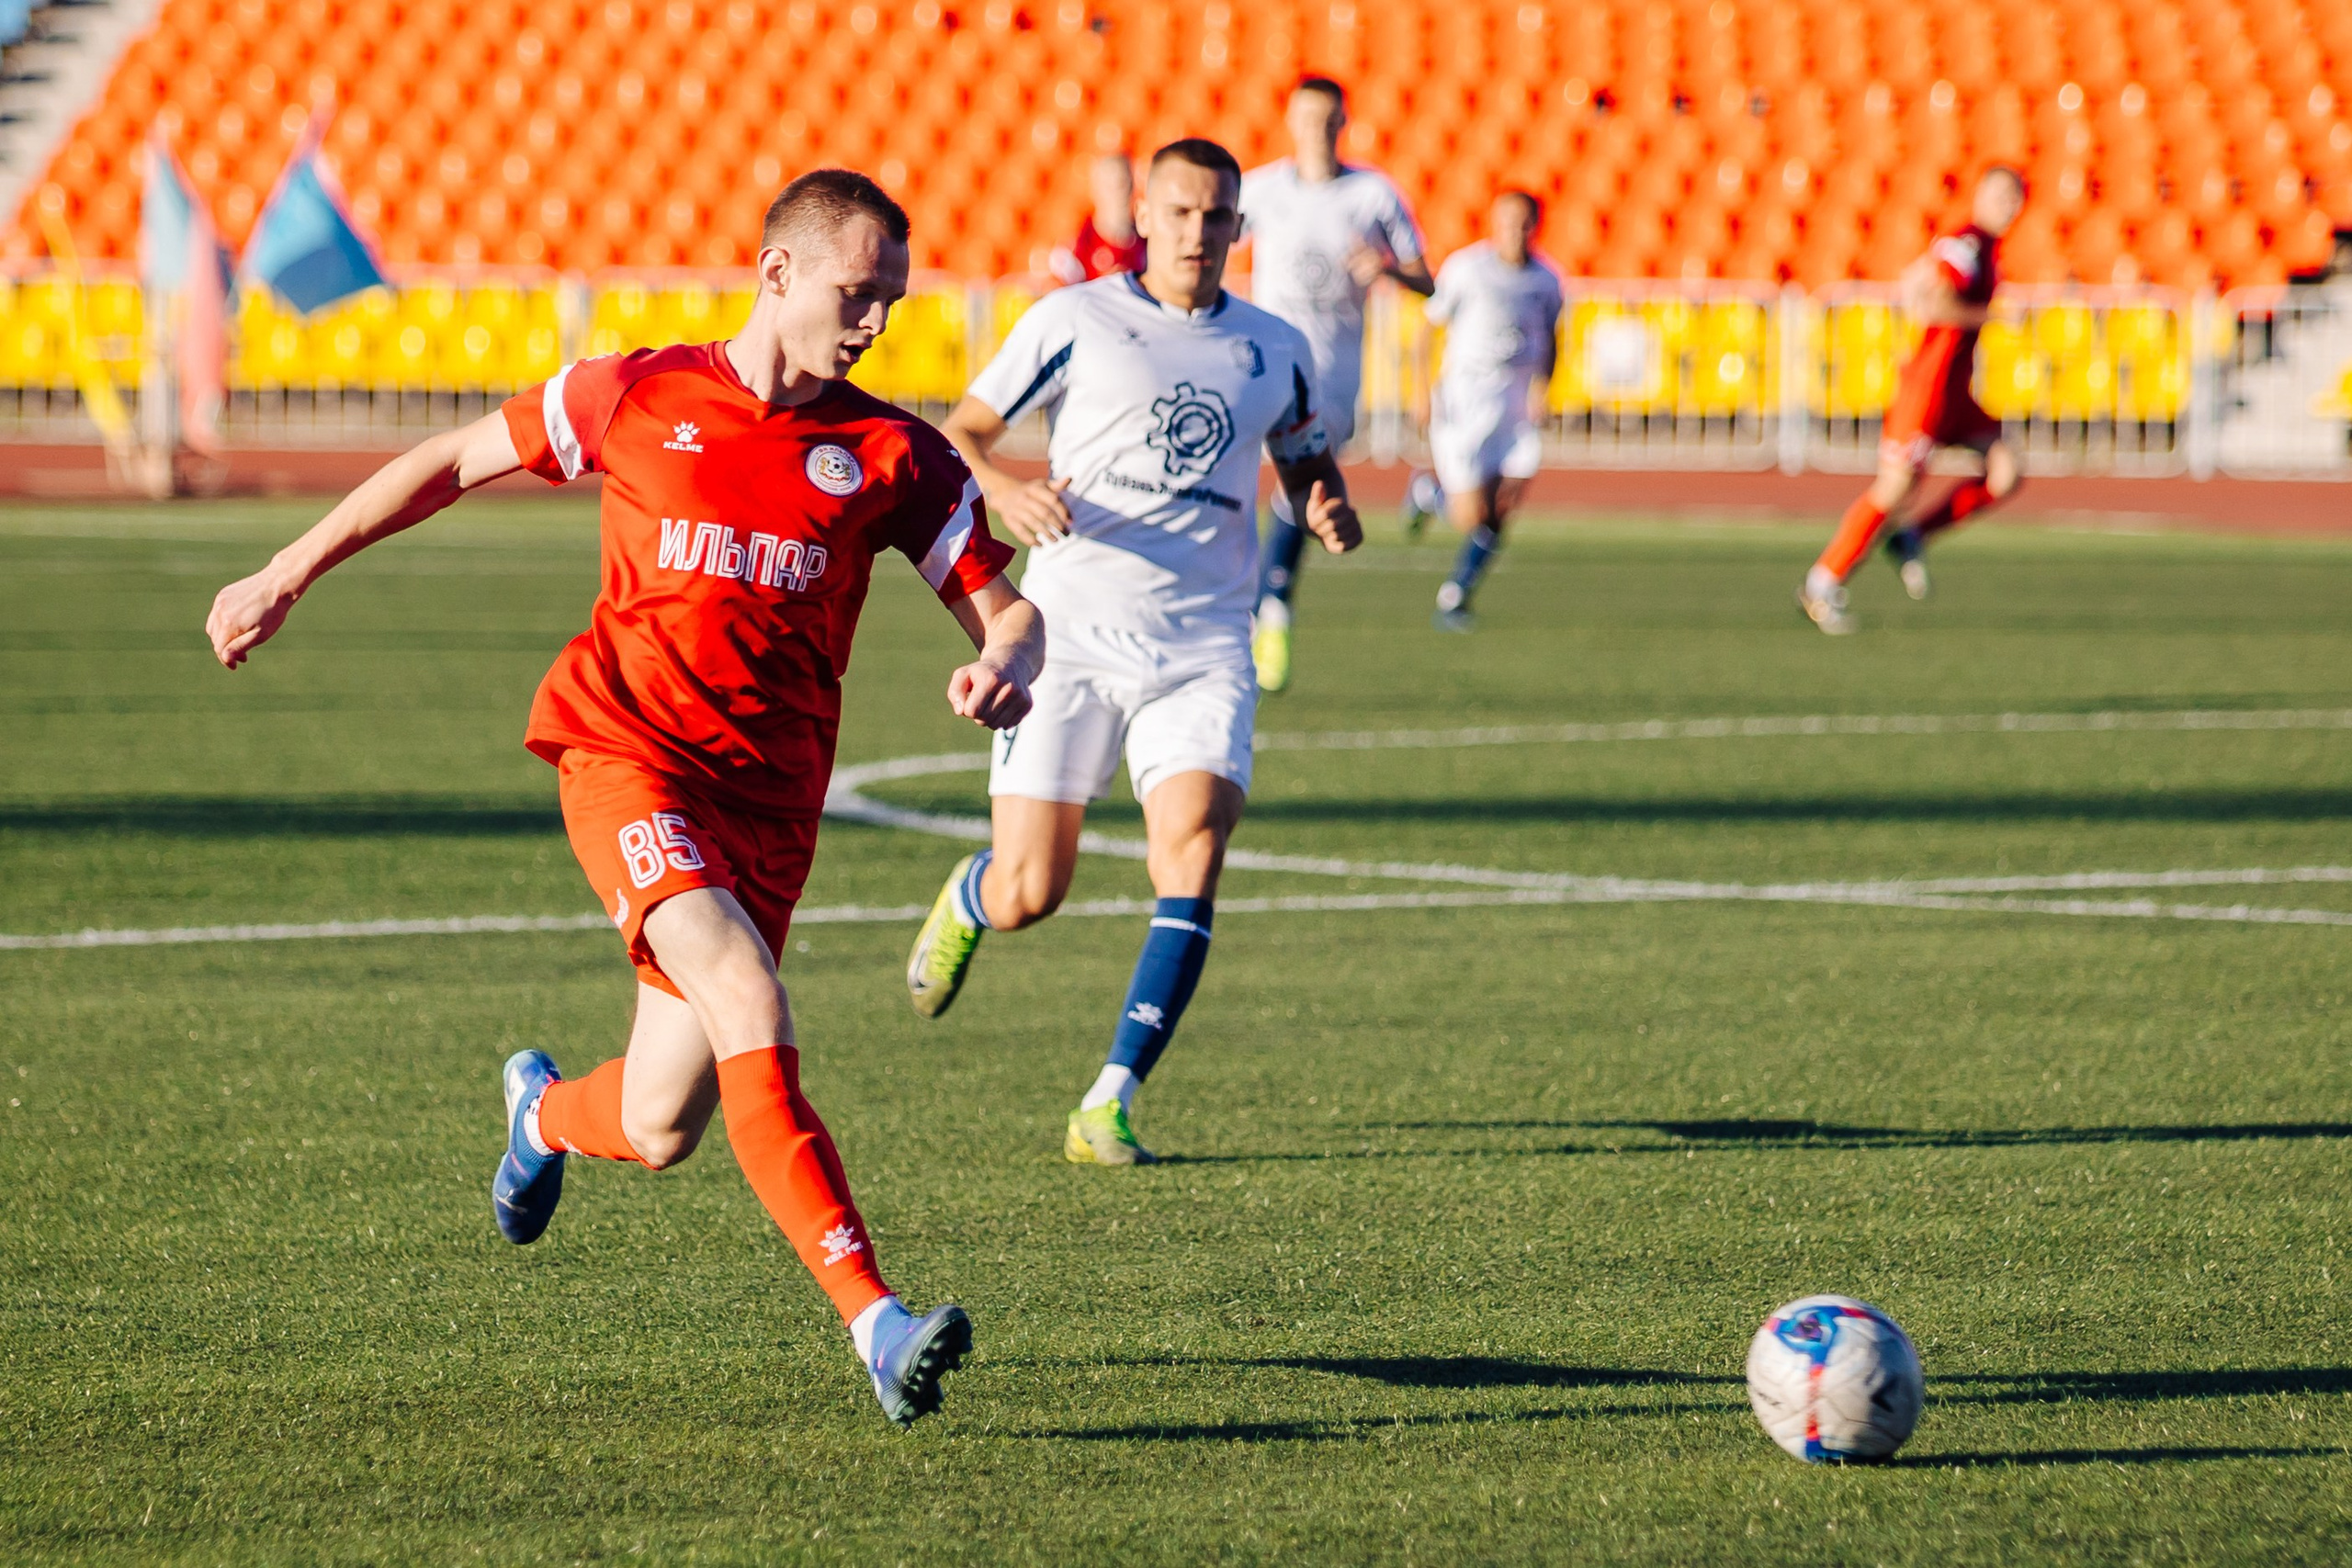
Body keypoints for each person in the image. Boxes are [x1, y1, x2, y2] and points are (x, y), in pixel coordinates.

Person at [202, 170, 1042, 1428]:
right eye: (855, 294)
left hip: (770, 817)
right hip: (629, 760)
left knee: (659, 1125)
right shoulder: (639, 392)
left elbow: (1008, 605)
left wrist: (1004, 666)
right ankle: (877, 1320)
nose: (874, 323)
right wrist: (289, 568)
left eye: (890, 302)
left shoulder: (894, 454)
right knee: (750, 994)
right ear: (776, 273)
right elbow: (447, 459)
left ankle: (540, 1113)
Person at [899, 138, 1362, 1165]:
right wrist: (1008, 486)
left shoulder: (1275, 346)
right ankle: (972, 897)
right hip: (1066, 637)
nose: (1200, 232)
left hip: (1203, 645)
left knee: (1191, 843)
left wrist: (1325, 505)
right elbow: (959, 431)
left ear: (1242, 228)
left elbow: (1303, 459)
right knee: (1032, 891)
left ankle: (1107, 1101)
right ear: (1145, 218)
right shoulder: (1075, 320)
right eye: (1182, 212)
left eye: (1219, 215)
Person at [1239, 74, 1431, 691]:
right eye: (1306, 117)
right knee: (1231, 476)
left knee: (1303, 489)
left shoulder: (1372, 195)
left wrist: (1387, 269)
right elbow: (1207, 244)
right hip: (1258, 362)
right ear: (1291, 121)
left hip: (1333, 375)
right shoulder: (1262, 190)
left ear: (1342, 122)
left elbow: (1426, 279)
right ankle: (1253, 606)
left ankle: (1272, 603)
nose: (1316, 129)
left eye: (1327, 118)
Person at [1798, 166, 2028, 634]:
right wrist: (1995, 316)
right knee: (1896, 486)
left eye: (2017, 198)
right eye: (2002, 195)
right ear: (1980, 194)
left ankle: (1911, 537)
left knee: (2005, 472)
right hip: (1926, 388)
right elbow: (1936, 304)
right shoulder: (1964, 244)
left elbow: (1919, 282)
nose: (2010, 206)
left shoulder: (1983, 249)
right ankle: (1823, 582)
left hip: (1956, 395)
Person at [1405, 190, 1563, 632]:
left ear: (1536, 225)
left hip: (1514, 401)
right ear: (1494, 224)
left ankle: (1456, 595)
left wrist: (1543, 387)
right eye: (1508, 221)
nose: (1516, 230)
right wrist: (1420, 392)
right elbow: (1427, 329)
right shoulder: (1467, 269)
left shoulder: (1547, 280)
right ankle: (1428, 494)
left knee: (1506, 502)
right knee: (1469, 515)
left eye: (1524, 222)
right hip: (1466, 398)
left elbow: (1552, 338)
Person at [1048, 152, 1147, 285]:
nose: (1119, 191)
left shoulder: (1147, 244)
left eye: (1124, 181)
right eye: (1109, 185)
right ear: (1095, 189)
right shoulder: (1075, 249)